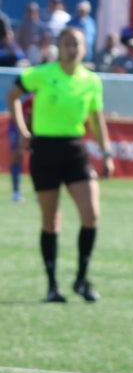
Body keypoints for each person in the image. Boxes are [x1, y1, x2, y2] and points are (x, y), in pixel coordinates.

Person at [5, 27, 114, 303]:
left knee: (91, 214)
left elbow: (96, 119)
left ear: (84, 48)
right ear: (59, 47)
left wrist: (107, 153)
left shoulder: (91, 81)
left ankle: (81, 279)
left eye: (76, 44)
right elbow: (12, 96)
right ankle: (53, 286)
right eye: (66, 44)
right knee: (51, 221)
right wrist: (23, 130)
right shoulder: (42, 74)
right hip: (45, 151)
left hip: (75, 149)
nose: (72, 49)